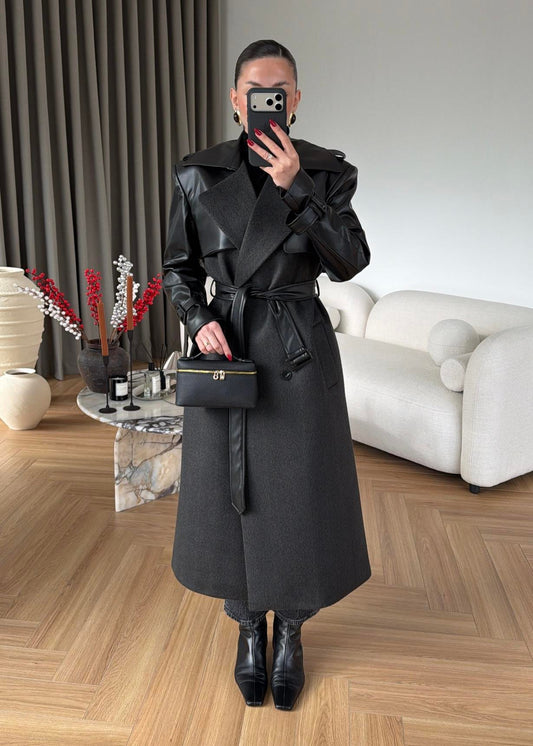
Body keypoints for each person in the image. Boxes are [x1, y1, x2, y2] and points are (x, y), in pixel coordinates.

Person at [163, 39, 372, 710]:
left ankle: (292, 633)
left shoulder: (327, 172)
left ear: (296, 100)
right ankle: (249, 626)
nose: (266, 101)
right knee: (234, 492)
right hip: (229, 349)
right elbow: (178, 268)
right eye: (255, 91)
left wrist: (297, 188)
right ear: (235, 100)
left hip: (296, 347)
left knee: (298, 492)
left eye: (278, 92)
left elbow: (350, 261)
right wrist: (198, 318)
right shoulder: (197, 175)